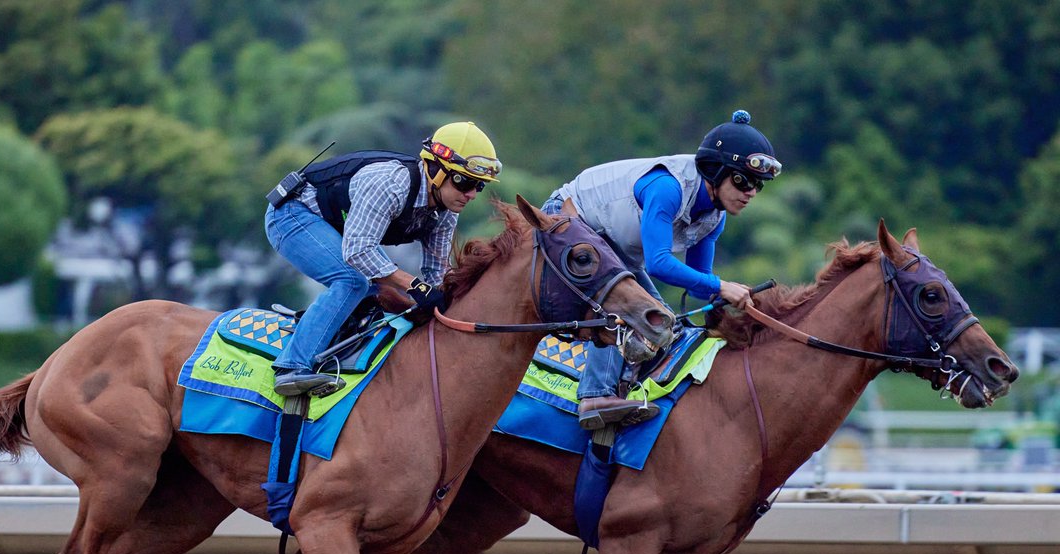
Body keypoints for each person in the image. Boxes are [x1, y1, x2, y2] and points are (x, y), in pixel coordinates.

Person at [541, 109, 780, 430]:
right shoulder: (668, 189)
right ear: (715, 171)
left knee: (663, 321)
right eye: (742, 180)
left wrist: (733, 302)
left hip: (612, 248)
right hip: (568, 220)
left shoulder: (714, 217)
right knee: (629, 308)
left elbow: (698, 287)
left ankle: (627, 390)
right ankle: (595, 396)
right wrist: (723, 286)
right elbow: (659, 263)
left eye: (757, 185)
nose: (750, 191)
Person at [264, 121, 501, 397]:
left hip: (342, 232)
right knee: (351, 281)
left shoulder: (446, 213)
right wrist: (415, 286)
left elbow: (437, 273)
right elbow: (357, 251)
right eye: (465, 182)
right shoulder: (391, 184)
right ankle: (292, 367)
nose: (471, 194)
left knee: (387, 295)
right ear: (436, 170)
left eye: (479, 187)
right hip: (293, 215)